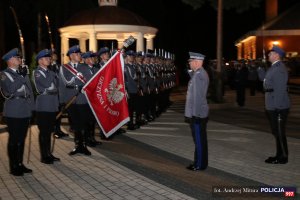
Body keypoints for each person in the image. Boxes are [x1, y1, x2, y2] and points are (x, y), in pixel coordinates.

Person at [0, 48, 34, 176]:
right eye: (17, 58)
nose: (19, 60)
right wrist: (20, 76)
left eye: (19, 58)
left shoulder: (22, 72)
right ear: (9, 60)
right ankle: (13, 166)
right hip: (13, 110)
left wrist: (32, 107)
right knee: (14, 139)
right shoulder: (3, 74)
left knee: (21, 139)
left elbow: (29, 91)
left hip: (24, 108)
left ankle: (20, 163)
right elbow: (10, 90)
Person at [59, 45, 91, 156]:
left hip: (82, 98)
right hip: (70, 99)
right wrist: (62, 101)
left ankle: (84, 145)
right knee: (75, 124)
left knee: (84, 123)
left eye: (79, 53)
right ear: (72, 55)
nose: (80, 55)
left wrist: (85, 87)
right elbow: (62, 85)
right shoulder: (64, 68)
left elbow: (90, 82)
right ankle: (77, 145)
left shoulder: (85, 67)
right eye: (77, 54)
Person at [32, 49, 60, 164]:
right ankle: (44, 156)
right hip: (43, 104)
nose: (49, 60)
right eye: (46, 58)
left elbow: (56, 86)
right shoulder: (37, 72)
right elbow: (46, 83)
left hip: (52, 103)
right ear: (40, 61)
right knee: (44, 131)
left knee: (49, 131)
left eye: (49, 58)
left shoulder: (50, 72)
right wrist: (52, 72)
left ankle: (49, 153)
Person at [264, 46, 290, 164]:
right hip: (272, 103)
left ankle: (283, 157)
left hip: (277, 106)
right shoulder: (274, 67)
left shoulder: (279, 68)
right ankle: (278, 155)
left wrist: (278, 107)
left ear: (277, 55)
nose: (268, 55)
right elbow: (267, 82)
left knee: (279, 132)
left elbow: (280, 89)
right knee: (276, 132)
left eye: (270, 54)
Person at [185, 52, 209, 171]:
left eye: (190, 62)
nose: (189, 64)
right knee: (199, 140)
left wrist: (196, 115)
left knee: (199, 141)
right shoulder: (198, 74)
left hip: (197, 114)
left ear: (197, 62)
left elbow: (198, 97)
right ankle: (201, 162)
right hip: (197, 113)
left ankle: (199, 164)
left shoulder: (199, 75)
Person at [81, 51, 102, 147]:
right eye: (90, 58)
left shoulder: (96, 69)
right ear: (85, 60)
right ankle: (87, 139)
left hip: (94, 98)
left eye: (93, 58)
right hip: (86, 99)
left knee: (93, 120)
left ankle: (92, 138)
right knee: (87, 120)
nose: (93, 59)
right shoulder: (82, 69)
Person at [48, 50, 69, 138]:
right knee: (54, 113)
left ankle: (58, 130)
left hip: (60, 93)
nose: (55, 56)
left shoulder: (60, 66)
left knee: (59, 112)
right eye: (53, 55)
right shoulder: (48, 67)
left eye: (56, 54)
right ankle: (54, 130)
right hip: (52, 94)